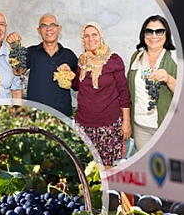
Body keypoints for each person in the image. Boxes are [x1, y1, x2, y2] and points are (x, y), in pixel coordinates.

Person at [61, 22, 131, 167]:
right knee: (89, 168)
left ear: (101, 36)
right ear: (83, 40)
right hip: (84, 125)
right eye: (86, 36)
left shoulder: (114, 60)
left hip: (109, 126)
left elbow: (124, 92)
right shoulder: (82, 61)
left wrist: (126, 122)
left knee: (109, 169)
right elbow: (76, 86)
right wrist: (67, 72)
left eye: (94, 34)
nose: (90, 39)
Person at [5, 14, 78, 118]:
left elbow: (78, 86)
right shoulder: (31, 52)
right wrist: (14, 46)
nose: (48, 29)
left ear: (59, 29)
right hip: (36, 116)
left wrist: (70, 74)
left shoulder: (68, 55)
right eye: (44, 26)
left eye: (52, 25)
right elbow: (17, 71)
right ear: (39, 30)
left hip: (63, 116)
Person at [127, 15, 177, 151]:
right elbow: (129, 91)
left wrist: (169, 79)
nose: (154, 36)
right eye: (149, 31)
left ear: (166, 34)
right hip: (140, 126)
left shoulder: (175, 58)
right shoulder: (136, 57)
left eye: (159, 31)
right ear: (143, 34)